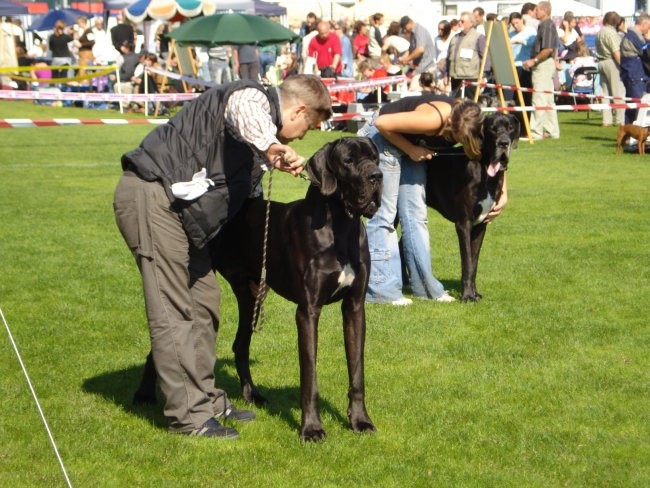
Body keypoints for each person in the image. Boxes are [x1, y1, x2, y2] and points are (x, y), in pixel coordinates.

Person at [113, 75, 332, 438]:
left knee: (205, 301)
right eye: (307, 127)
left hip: (183, 215)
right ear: (299, 109)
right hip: (153, 196)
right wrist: (273, 146)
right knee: (174, 309)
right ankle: (189, 417)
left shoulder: (259, 141)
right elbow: (248, 116)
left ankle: (208, 400)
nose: (302, 136)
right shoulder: (251, 97)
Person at [358, 95, 507, 305]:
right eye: (461, 140)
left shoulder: (473, 122)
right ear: (449, 127)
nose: (465, 145)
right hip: (382, 137)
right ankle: (381, 290)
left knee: (416, 215)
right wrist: (412, 150)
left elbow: (491, 155)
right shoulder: (434, 118)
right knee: (385, 216)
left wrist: (504, 189)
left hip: (409, 141)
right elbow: (382, 123)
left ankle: (423, 287)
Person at [522, 1, 560, 140]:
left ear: (544, 11)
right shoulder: (545, 25)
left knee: (539, 98)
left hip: (543, 65)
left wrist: (534, 61)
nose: (535, 12)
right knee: (548, 100)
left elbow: (548, 49)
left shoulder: (547, 25)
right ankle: (553, 131)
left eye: (537, 10)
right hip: (546, 64)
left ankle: (536, 132)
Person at [446, 11, 488, 100]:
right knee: (456, 104)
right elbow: (448, 58)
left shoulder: (479, 37)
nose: (460, 23)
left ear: (471, 23)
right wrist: (447, 74)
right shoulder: (455, 38)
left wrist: (483, 76)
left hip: (471, 78)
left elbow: (485, 58)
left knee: (469, 106)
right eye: (459, 21)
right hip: (455, 77)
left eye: (463, 21)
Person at [595, 11, 625, 127]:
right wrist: (623, 66)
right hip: (611, 62)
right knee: (618, 92)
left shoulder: (600, 32)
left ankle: (606, 120)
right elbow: (616, 52)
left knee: (605, 94)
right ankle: (620, 120)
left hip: (601, 63)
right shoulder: (611, 33)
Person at [619, 13, 650, 124]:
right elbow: (646, 52)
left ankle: (628, 134)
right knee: (638, 106)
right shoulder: (633, 36)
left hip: (633, 75)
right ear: (644, 23)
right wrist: (649, 41)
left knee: (631, 106)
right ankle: (633, 134)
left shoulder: (633, 36)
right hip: (635, 76)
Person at [398, 16, 436, 90]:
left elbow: (420, 49)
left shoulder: (419, 31)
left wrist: (407, 59)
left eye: (404, 28)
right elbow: (411, 49)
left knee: (413, 90)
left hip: (426, 67)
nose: (404, 30)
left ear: (409, 23)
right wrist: (404, 58)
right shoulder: (413, 33)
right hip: (420, 68)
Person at [509, 11, 536, 105]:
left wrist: (521, 41)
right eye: (513, 24)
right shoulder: (511, 34)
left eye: (517, 23)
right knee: (514, 94)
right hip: (513, 66)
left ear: (521, 20)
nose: (516, 26)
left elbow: (534, 43)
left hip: (525, 66)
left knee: (525, 93)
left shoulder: (530, 30)